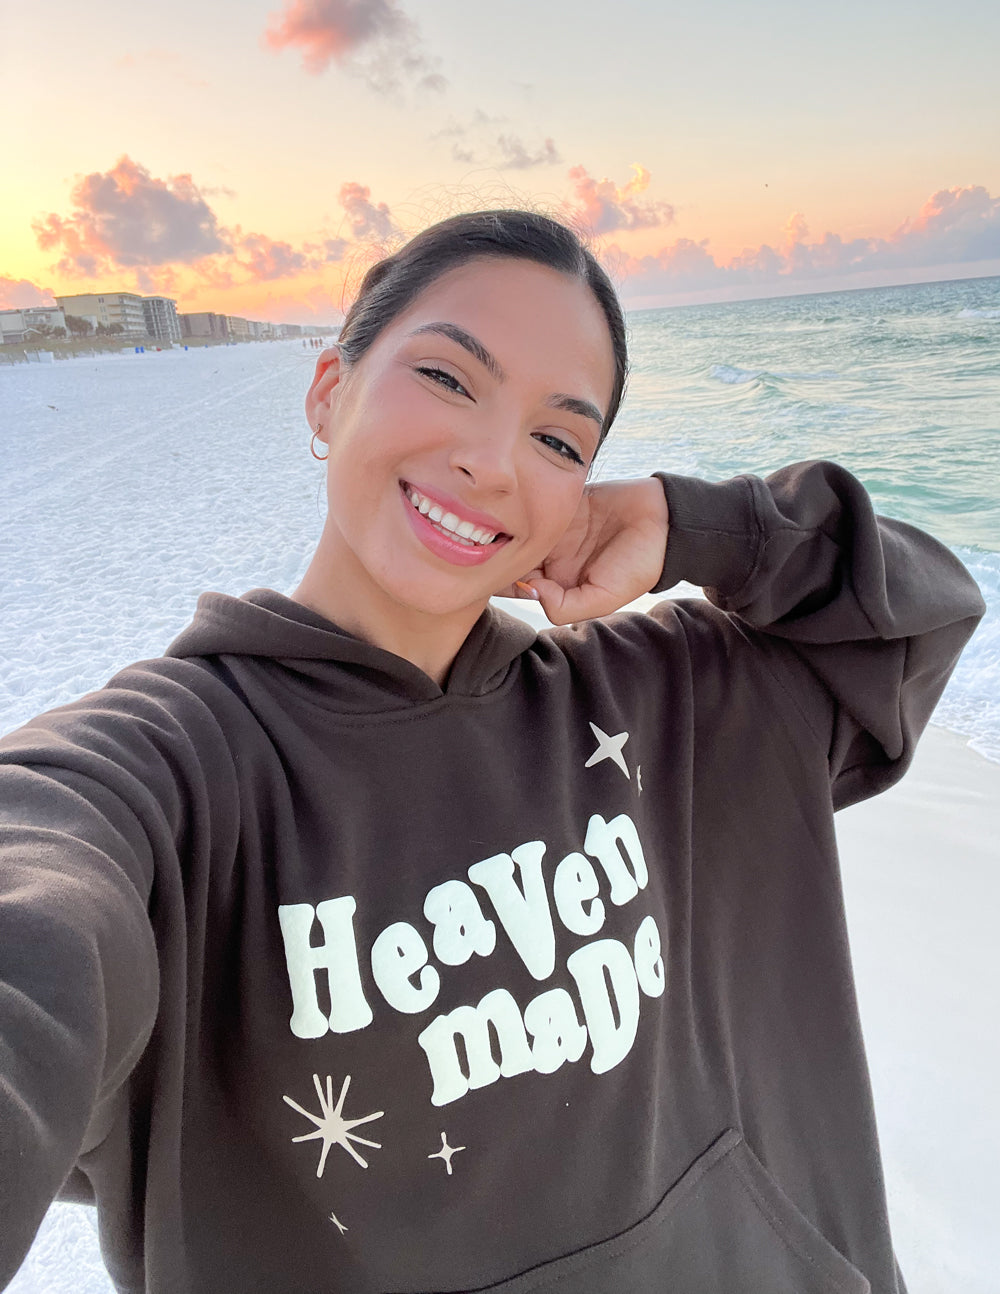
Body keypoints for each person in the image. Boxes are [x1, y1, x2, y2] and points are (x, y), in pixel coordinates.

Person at [0, 209, 985, 1294]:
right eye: (446, 377)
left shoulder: (661, 696)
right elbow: (38, 901)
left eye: (559, 441)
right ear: (329, 391)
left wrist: (697, 527)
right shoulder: (166, 774)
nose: (491, 463)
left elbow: (918, 615)